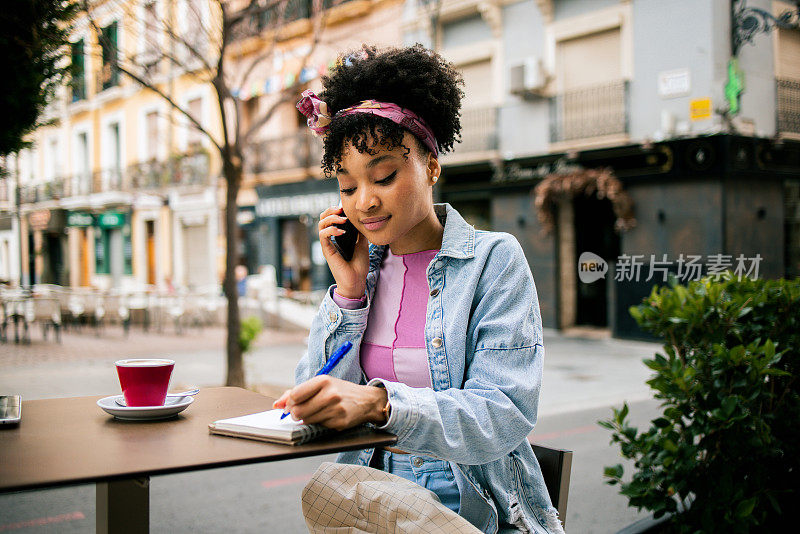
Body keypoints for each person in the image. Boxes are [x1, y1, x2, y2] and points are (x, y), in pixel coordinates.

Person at [273, 44, 563, 534]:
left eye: (383, 175)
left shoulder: (494, 261)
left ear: (430, 164)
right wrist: (347, 293)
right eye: (346, 186)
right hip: (370, 491)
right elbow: (316, 393)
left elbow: (505, 411)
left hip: (474, 504)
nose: (365, 201)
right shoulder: (360, 271)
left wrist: (382, 404)